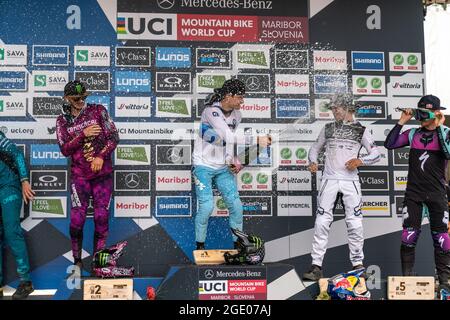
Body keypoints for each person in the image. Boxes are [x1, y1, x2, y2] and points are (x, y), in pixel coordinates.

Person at [303, 93, 380, 281]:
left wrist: (360, 160)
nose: (334, 110)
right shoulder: (328, 128)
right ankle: (316, 266)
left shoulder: (361, 130)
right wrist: (313, 161)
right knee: (321, 222)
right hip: (329, 179)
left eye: (337, 107)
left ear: (348, 108)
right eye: (332, 108)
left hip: (350, 181)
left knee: (355, 223)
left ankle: (358, 265)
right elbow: (314, 149)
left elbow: (376, 154)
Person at [192, 79, 271, 250]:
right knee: (206, 207)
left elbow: (229, 142)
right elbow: (227, 136)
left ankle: (238, 247)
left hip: (222, 167)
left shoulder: (237, 115)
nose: (242, 101)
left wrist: (234, 162)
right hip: (203, 165)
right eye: (240, 97)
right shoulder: (211, 112)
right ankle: (200, 248)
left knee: (236, 207)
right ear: (229, 96)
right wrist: (257, 138)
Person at [384, 94, 450, 293]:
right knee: (409, 236)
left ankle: (445, 282)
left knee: (442, 239)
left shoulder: (446, 132)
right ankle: (407, 282)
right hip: (414, 193)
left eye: (425, 112)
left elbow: (448, 153)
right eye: (419, 112)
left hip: (437, 193)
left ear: (437, 112)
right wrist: (401, 122)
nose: (421, 116)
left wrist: (438, 126)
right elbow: (390, 144)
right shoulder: (413, 134)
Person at [56, 80, 119, 270]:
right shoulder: (62, 121)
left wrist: (100, 156)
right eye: (76, 98)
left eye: (84, 96)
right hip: (80, 177)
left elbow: (114, 137)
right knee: (77, 220)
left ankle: (99, 264)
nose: (81, 100)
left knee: (101, 217)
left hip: (102, 175)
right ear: (67, 98)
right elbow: (65, 149)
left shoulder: (98, 111)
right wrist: (82, 134)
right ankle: (76, 261)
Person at [0, 131, 35, 299]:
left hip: (8, 185)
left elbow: (17, 154)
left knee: (11, 231)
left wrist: (24, 180)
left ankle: (25, 282)